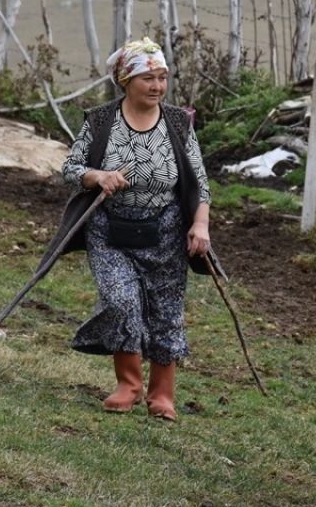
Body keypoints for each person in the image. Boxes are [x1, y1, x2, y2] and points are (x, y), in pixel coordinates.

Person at [57, 37, 211, 421]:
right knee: (122, 302)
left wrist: (200, 224)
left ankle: (162, 395)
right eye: (148, 78)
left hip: (166, 230)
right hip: (110, 230)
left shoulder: (178, 123)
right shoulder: (100, 120)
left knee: (166, 310)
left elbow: (199, 180)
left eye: (162, 77)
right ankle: (128, 385)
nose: (157, 86)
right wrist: (98, 176)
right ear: (125, 81)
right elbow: (70, 168)